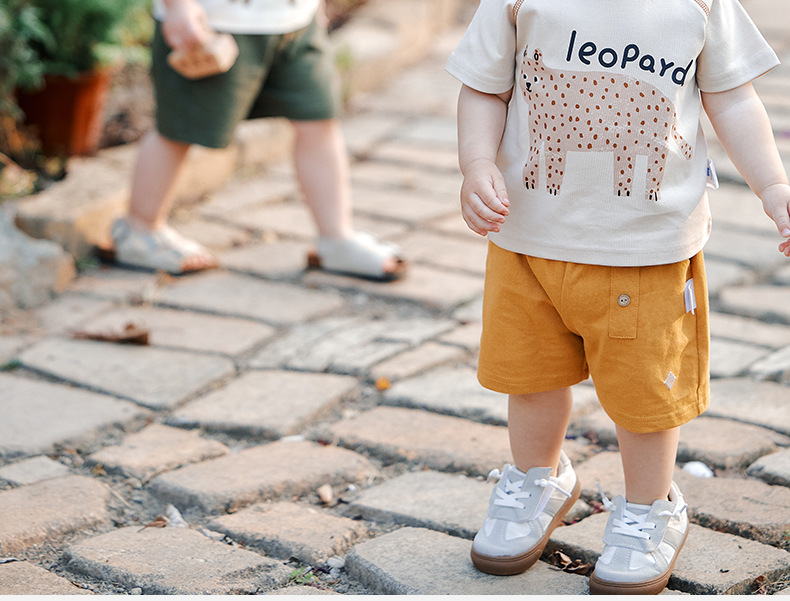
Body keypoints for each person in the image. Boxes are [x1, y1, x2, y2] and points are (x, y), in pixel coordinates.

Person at [446, 0, 790, 594]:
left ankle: (650, 507)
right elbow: (484, 87)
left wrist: (774, 184)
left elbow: (732, 96)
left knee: (644, 395)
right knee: (529, 377)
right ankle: (537, 478)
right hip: (529, 240)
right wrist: (476, 162)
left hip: (647, 249)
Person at [109, 0, 406, 281]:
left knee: (319, 118)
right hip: (213, 23)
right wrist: (177, 7)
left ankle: (336, 237)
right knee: (179, 129)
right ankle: (140, 230)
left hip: (295, 18)